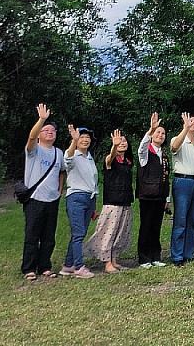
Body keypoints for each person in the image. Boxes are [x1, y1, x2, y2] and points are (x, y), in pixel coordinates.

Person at [21, 103, 67, 281]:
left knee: (49, 236)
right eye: (46, 130)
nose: (50, 132)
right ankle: (29, 268)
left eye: (53, 131)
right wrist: (42, 119)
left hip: (52, 199)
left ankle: (45, 266)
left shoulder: (58, 153)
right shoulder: (34, 150)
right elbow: (31, 137)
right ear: (40, 133)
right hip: (35, 199)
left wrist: (60, 188)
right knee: (32, 234)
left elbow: (62, 171)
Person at [84, 129, 134, 273]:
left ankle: (114, 260)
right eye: (120, 142)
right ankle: (107, 263)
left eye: (124, 141)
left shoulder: (128, 161)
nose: (122, 143)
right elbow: (110, 158)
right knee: (108, 232)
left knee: (120, 233)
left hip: (125, 202)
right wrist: (114, 147)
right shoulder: (110, 160)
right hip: (112, 202)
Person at [59, 126, 98, 278]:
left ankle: (68, 265)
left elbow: (93, 182)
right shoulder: (73, 155)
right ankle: (79, 267)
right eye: (81, 137)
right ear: (75, 139)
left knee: (79, 233)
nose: (85, 139)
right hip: (76, 197)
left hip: (89, 198)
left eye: (87, 137)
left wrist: (94, 205)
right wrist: (73, 142)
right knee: (79, 234)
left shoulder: (89, 157)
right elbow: (67, 159)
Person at [169, 112, 194, 266]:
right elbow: (173, 147)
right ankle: (177, 256)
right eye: (192, 121)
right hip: (182, 180)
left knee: (193, 220)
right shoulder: (178, 139)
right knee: (181, 219)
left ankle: (189, 253)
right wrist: (184, 129)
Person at [136, 112, 171, 268]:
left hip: (160, 196)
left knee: (156, 226)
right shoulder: (145, 152)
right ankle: (144, 258)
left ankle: (155, 256)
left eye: (163, 133)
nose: (160, 135)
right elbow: (141, 147)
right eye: (158, 132)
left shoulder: (164, 155)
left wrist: (167, 199)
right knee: (146, 226)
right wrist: (151, 129)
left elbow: (166, 177)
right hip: (147, 195)